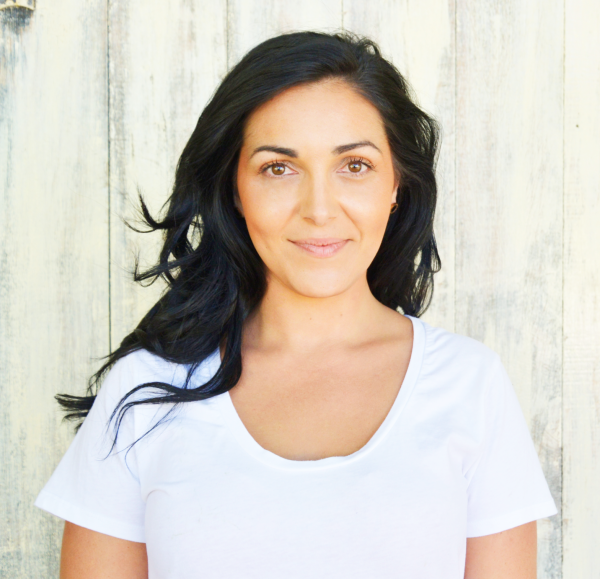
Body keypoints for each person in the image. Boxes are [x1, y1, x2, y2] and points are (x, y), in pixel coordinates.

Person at [35, 31, 557, 578]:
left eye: (354, 165)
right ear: (234, 189)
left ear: (396, 184)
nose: (319, 209)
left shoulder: (470, 384)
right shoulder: (145, 389)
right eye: (278, 168)